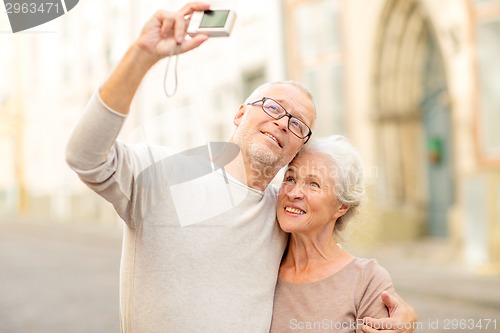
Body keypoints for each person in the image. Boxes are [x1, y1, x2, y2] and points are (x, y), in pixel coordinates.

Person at [65, 2, 416, 332]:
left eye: (297, 124)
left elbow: (329, 268)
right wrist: (142, 55)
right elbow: (84, 156)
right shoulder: (164, 174)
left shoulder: (283, 213)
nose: (282, 123)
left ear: (298, 148)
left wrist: (401, 314)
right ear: (239, 113)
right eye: (273, 108)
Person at [270, 135, 413, 332]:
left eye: (313, 184)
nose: (294, 193)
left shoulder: (366, 281)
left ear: (341, 206)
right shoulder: (263, 262)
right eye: (291, 178)